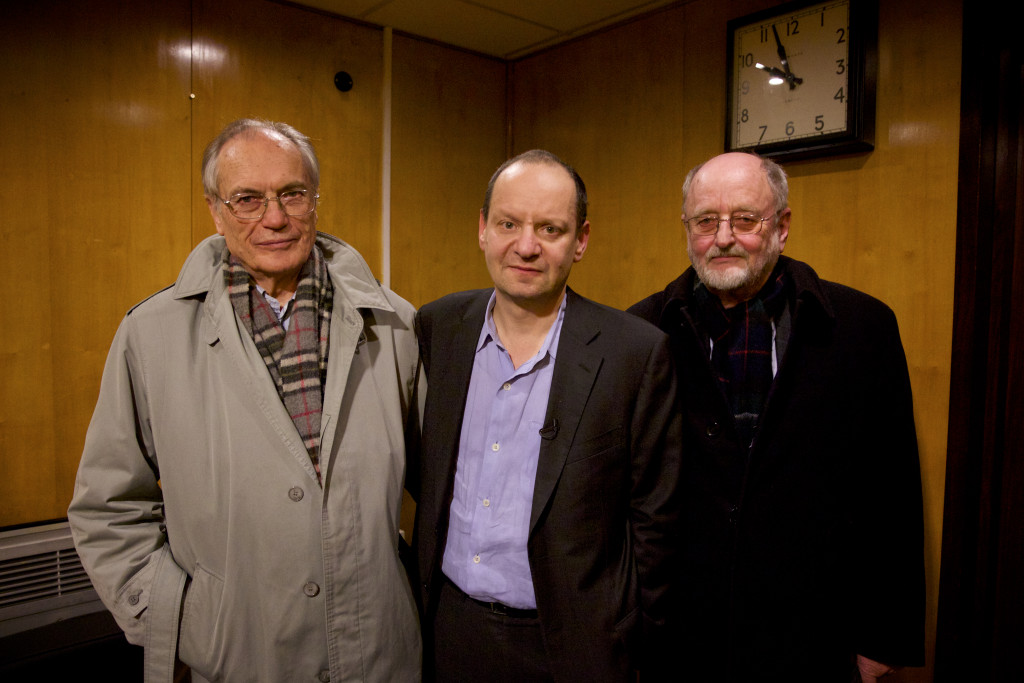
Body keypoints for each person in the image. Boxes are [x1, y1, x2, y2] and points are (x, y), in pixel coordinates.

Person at [68, 119, 421, 682]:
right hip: (234, 657)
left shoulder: (396, 324)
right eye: (247, 200)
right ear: (215, 211)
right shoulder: (150, 335)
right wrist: (179, 620)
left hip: (377, 655)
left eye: (292, 194)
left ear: (315, 200)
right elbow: (107, 509)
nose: (274, 218)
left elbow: (445, 490)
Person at [629, 152, 925, 682]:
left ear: (782, 227)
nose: (723, 237)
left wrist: (882, 636)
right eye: (705, 221)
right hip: (679, 637)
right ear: (687, 229)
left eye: (745, 219)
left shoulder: (861, 328)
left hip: (813, 636)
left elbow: (891, 492)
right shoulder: (643, 332)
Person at [410, 150, 682, 682]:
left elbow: (656, 520)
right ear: (483, 229)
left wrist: (633, 641)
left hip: (574, 647)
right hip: (448, 629)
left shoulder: (634, 354)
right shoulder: (438, 327)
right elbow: (423, 469)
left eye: (550, 229)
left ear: (580, 240)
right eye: (509, 224)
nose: (526, 246)